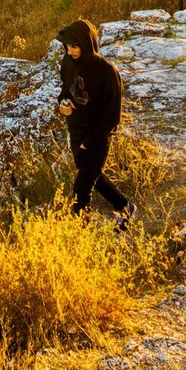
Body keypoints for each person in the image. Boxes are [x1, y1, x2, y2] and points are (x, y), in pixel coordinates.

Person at [55, 18, 135, 227]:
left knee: (81, 190)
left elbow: (112, 116)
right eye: (67, 46)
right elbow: (65, 90)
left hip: (97, 138)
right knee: (93, 177)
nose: (70, 51)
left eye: (74, 46)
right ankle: (125, 206)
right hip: (75, 132)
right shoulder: (68, 62)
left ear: (87, 43)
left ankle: (85, 236)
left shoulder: (108, 72)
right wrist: (63, 104)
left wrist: (88, 142)